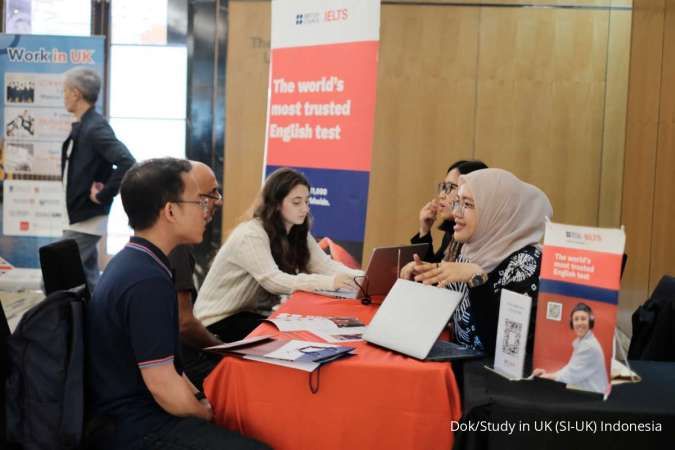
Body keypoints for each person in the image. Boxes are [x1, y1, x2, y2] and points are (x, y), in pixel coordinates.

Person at [86, 158, 268, 450]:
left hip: (132, 415)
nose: (207, 210)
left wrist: (201, 402)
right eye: (199, 202)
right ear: (170, 211)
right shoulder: (146, 280)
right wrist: (205, 413)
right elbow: (163, 386)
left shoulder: (139, 262)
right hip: (134, 427)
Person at [194, 167, 363, 342]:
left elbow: (325, 266)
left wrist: (365, 278)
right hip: (216, 321)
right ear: (275, 203)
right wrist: (330, 282)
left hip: (244, 315)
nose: (305, 209)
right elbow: (273, 280)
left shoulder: (297, 231)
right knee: (293, 339)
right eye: (296, 202)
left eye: (307, 201)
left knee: (307, 331)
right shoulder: (251, 234)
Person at [408, 168, 553, 354]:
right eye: (458, 203)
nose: (457, 212)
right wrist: (420, 278)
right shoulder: (472, 250)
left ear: (498, 211)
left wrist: (478, 281)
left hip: (487, 379)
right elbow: (445, 317)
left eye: (467, 205)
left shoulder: (527, 264)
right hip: (461, 366)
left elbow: (504, 350)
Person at [61, 67, 135, 293]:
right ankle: (97, 323)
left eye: (64, 91)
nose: (63, 96)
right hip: (81, 215)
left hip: (86, 217)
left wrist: (104, 194)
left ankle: (61, 327)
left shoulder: (95, 127)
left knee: (57, 276)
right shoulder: (86, 125)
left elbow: (127, 161)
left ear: (76, 93)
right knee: (88, 277)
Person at [168, 161, 224, 390]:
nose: (217, 201)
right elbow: (184, 324)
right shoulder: (175, 246)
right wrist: (222, 348)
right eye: (210, 195)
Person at [409, 160, 488, 263]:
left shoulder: (477, 238)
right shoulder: (452, 231)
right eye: (443, 187)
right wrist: (424, 230)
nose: (441, 195)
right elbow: (430, 272)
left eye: (450, 187)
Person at [533, 303, 609, 393]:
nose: (579, 323)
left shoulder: (588, 347)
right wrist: (548, 375)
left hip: (593, 395)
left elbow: (570, 375)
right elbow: (570, 369)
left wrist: (545, 377)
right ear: (572, 323)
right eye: (576, 319)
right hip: (588, 391)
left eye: (583, 319)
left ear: (590, 322)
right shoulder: (583, 342)